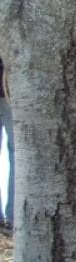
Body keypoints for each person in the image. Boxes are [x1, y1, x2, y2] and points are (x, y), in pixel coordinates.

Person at [0, 58, 13, 235]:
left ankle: (13, 218)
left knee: (19, 155)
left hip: (10, 89)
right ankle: (14, 218)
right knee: (19, 155)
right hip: (10, 89)